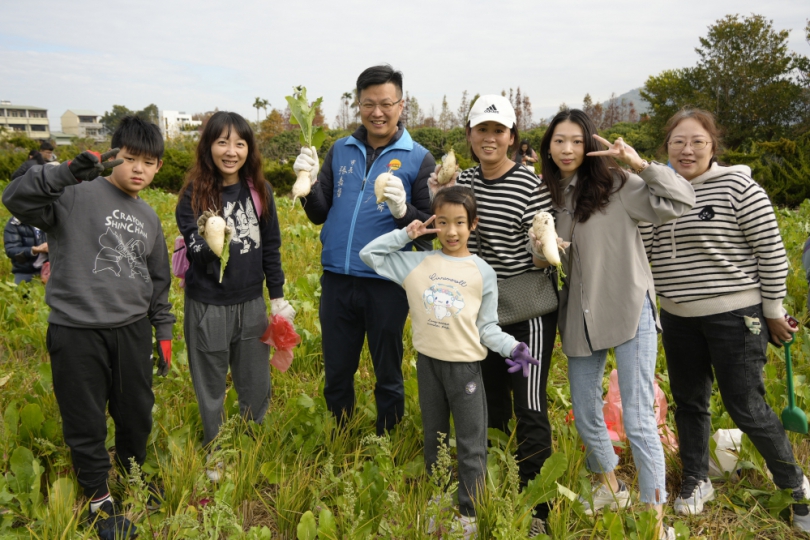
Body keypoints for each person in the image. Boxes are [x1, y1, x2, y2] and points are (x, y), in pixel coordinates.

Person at [2, 116, 175, 540]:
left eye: (149, 163)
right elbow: (14, 198)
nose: (139, 169)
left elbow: (158, 280)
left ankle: (134, 474)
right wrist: (63, 173)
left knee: (136, 412)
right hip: (76, 331)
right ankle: (98, 499)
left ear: (158, 168)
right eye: (130, 158)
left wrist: (164, 331)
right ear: (113, 155)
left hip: (132, 331)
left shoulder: (150, 216)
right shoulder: (74, 195)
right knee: (85, 420)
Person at [639, 108, 809, 532]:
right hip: (677, 317)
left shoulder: (738, 187)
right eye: (678, 141)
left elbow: (772, 251)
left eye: (697, 140)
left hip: (736, 316)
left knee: (745, 404)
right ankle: (696, 480)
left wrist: (771, 310)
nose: (687, 149)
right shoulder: (656, 191)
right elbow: (642, 249)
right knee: (690, 400)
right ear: (666, 147)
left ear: (713, 145)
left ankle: (796, 488)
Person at [536, 109, 695, 540]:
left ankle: (654, 518)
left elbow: (682, 201)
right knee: (585, 410)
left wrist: (639, 163)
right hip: (580, 314)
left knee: (640, 418)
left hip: (628, 308)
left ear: (589, 144)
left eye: (575, 140)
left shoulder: (618, 184)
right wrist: (542, 248)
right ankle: (610, 484)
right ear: (548, 147)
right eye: (558, 141)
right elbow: (548, 261)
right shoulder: (549, 197)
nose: (567, 149)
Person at [360, 186, 541, 539]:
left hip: (465, 370)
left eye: (460, 222)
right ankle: (440, 504)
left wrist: (513, 347)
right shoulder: (417, 263)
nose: (452, 231)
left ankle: (469, 514)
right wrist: (406, 234)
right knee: (435, 438)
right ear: (434, 224)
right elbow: (370, 255)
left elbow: (487, 327)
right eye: (443, 222)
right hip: (428, 365)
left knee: (471, 443)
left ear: (473, 224)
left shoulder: (482, 272)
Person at [430, 95, 558, 536]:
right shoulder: (461, 182)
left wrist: (542, 251)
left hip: (528, 311)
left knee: (530, 406)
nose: (489, 138)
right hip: (479, 313)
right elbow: (448, 231)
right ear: (469, 135)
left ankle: (538, 510)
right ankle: (493, 489)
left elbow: (541, 244)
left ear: (511, 137)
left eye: (498, 130)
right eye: (481, 129)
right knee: (487, 406)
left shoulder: (530, 184)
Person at [292, 65, 435, 435]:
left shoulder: (418, 158)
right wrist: (305, 184)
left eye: (386, 103)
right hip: (337, 279)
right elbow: (320, 213)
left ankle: (387, 437)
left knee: (387, 366)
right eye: (369, 103)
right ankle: (340, 431)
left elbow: (429, 230)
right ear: (358, 105)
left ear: (401, 105)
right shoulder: (341, 149)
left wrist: (404, 212)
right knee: (337, 367)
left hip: (386, 283)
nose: (377, 112)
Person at [175, 111, 289, 475]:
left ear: (248, 149)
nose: (231, 151)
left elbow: (270, 247)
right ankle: (217, 449)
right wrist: (213, 243)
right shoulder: (193, 193)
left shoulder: (260, 191)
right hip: (208, 304)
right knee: (209, 383)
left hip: (251, 302)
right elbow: (194, 246)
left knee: (256, 381)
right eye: (222, 142)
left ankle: (252, 440)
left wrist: (278, 295)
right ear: (209, 146)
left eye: (239, 143)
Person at [4, 215, 47, 284]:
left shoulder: (52, 218)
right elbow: (11, 250)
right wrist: (35, 250)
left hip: (52, 268)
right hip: (25, 270)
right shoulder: (15, 223)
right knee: (20, 291)